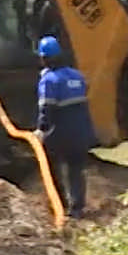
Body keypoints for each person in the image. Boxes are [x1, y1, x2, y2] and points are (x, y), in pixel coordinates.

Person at [35, 35, 93, 218]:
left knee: (50, 164)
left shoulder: (49, 80)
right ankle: (77, 208)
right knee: (76, 169)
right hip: (81, 131)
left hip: (60, 132)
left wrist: (40, 130)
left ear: (44, 58)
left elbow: (47, 109)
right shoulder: (78, 76)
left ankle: (58, 203)